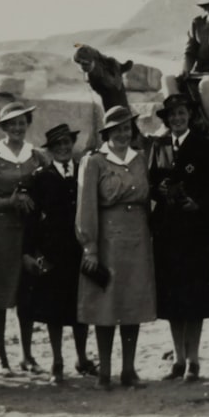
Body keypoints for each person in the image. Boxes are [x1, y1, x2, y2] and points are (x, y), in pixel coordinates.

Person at [77, 106, 157, 390]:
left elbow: (149, 202)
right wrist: (90, 247)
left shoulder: (140, 159)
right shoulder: (95, 161)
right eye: (118, 129)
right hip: (108, 241)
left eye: (127, 128)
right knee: (106, 306)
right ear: (107, 132)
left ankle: (128, 370)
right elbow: (86, 206)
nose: (123, 134)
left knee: (132, 303)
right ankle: (104, 372)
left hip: (137, 240)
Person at [149, 93, 209, 382]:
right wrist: (162, 190)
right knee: (172, 299)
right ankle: (178, 358)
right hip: (168, 233)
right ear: (167, 120)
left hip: (195, 233)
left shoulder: (205, 146)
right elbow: (151, 184)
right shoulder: (158, 146)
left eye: (181, 113)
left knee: (193, 298)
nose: (177, 119)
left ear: (189, 116)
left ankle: (194, 359)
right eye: (172, 115)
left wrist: (198, 203)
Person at [19, 123, 98, 382]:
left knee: (81, 307)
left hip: (80, 248)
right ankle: (56, 361)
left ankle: (82, 357)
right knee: (54, 309)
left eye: (67, 143)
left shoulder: (85, 172)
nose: (63, 148)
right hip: (53, 251)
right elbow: (31, 219)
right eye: (57, 145)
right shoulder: (41, 177)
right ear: (50, 150)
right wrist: (29, 251)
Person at [0, 102, 45, 375]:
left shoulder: (36, 156)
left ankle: (27, 355)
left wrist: (33, 201)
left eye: (21, 122)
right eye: (12, 124)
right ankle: (0, 356)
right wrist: (9, 201)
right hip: (1, 233)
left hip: (28, 232)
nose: (17, 128)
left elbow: (47, 188)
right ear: (3, 128)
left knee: (27, 294)